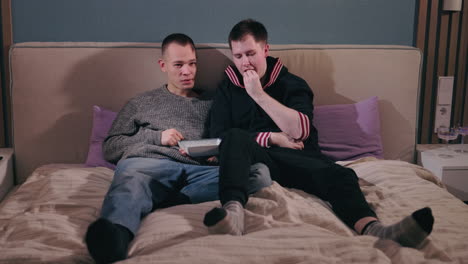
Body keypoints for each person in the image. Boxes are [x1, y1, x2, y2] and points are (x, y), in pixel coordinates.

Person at [203, 19, 434, 248]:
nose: (245, 63)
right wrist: (272, 138)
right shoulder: (227, 88)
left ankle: (376, 229)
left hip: (298, 158)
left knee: (341, 175)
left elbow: (300, 131)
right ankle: (232, 214)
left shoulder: (292, 84)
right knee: (234, 136)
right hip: (256, 159)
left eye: (251, 53)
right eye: (238, 56)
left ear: (265, 49)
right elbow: (220, 138)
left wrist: (258, 94)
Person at [85, 33, 272, 264]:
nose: (187, 72)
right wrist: (157, 137)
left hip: (200, 173)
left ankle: (165, 199)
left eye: (192, 64)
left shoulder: (215, 103)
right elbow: (111, 147)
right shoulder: (141, 103)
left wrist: (220, 154)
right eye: (179, 65)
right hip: (149, 167)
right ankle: (116, 239)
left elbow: (236, 142)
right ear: (163, 66)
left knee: (259, 174)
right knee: (129, 180)